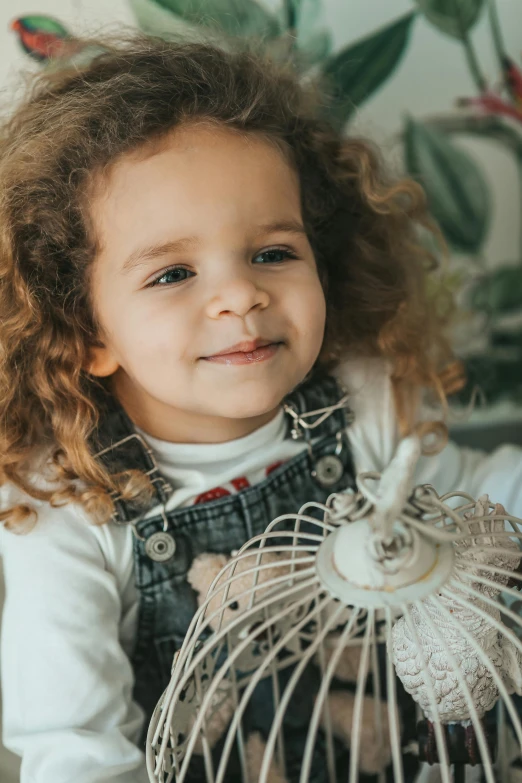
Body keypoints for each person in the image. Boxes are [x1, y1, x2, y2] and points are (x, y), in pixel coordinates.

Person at [0, 29, 520, 783]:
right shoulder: (64, 506)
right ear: (84, 332)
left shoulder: (359, 395)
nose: (241, 293)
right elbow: (77, 744)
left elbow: (464, 492)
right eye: (174, 272)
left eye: (273, 252)